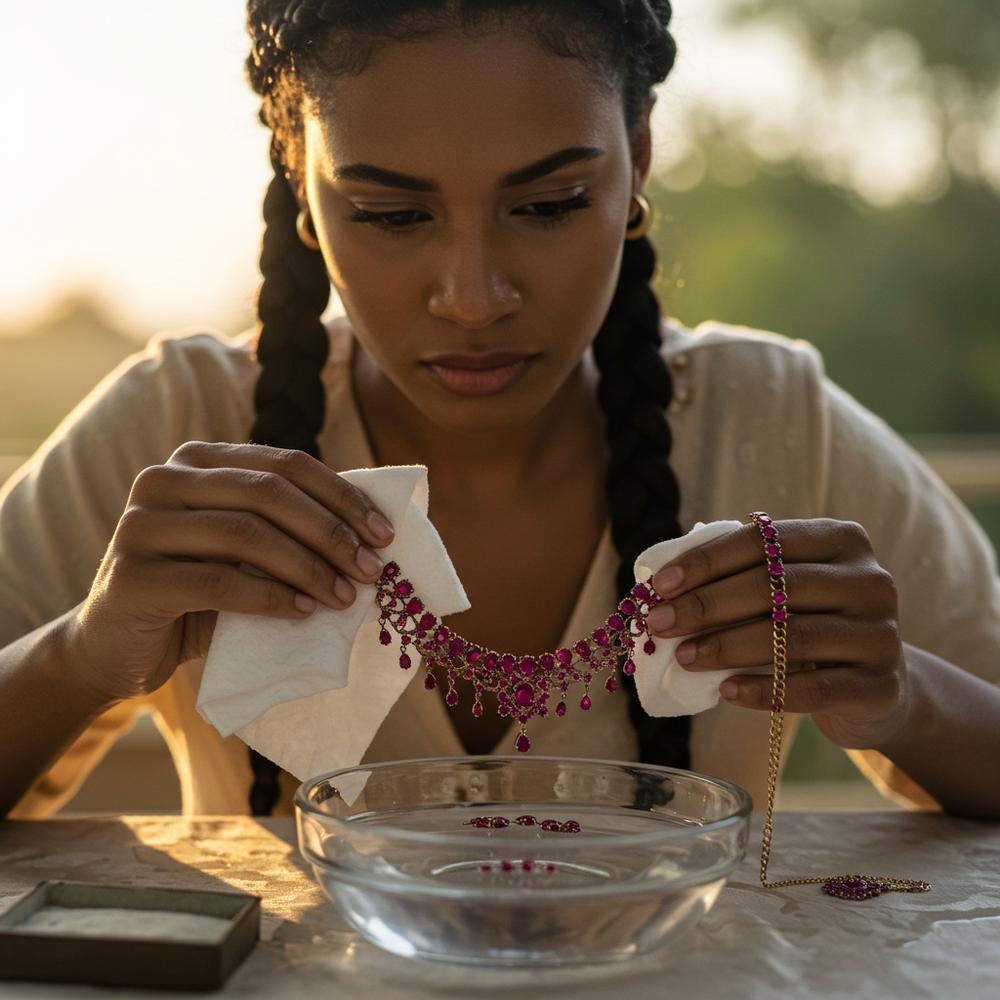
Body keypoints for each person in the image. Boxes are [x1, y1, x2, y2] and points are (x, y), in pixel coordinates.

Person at [1, 0, 998, 822]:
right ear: (297, 170)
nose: (472, 296)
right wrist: (83, 655)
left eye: (550, 202)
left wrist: (904, 699)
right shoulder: (179, 424)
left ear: (638, 157)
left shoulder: (770, 418)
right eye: (391, 216)